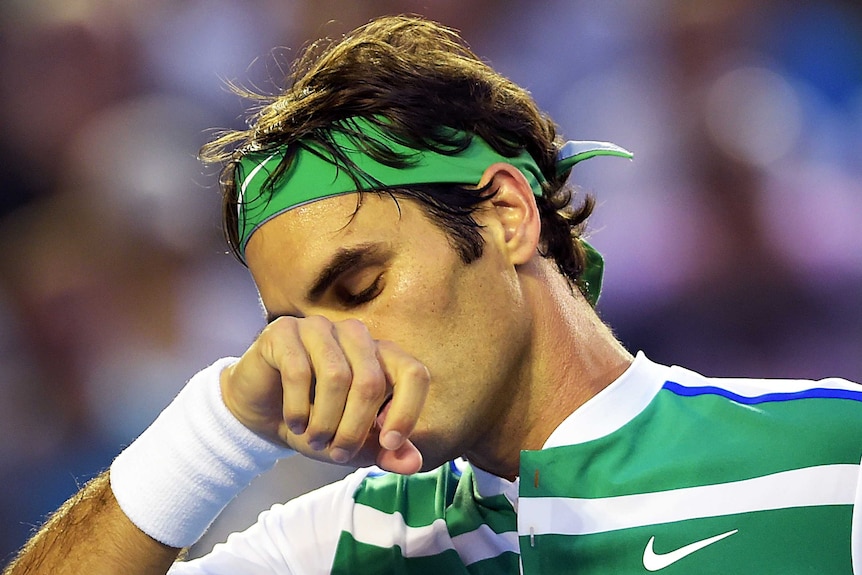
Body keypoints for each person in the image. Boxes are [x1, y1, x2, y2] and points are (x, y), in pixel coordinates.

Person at [5, 15, 862, 575]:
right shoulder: (341, 539)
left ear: (507, 217)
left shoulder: (838, 456)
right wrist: (220, 422)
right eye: (296, 324)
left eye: (360, 283)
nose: (335, 351)